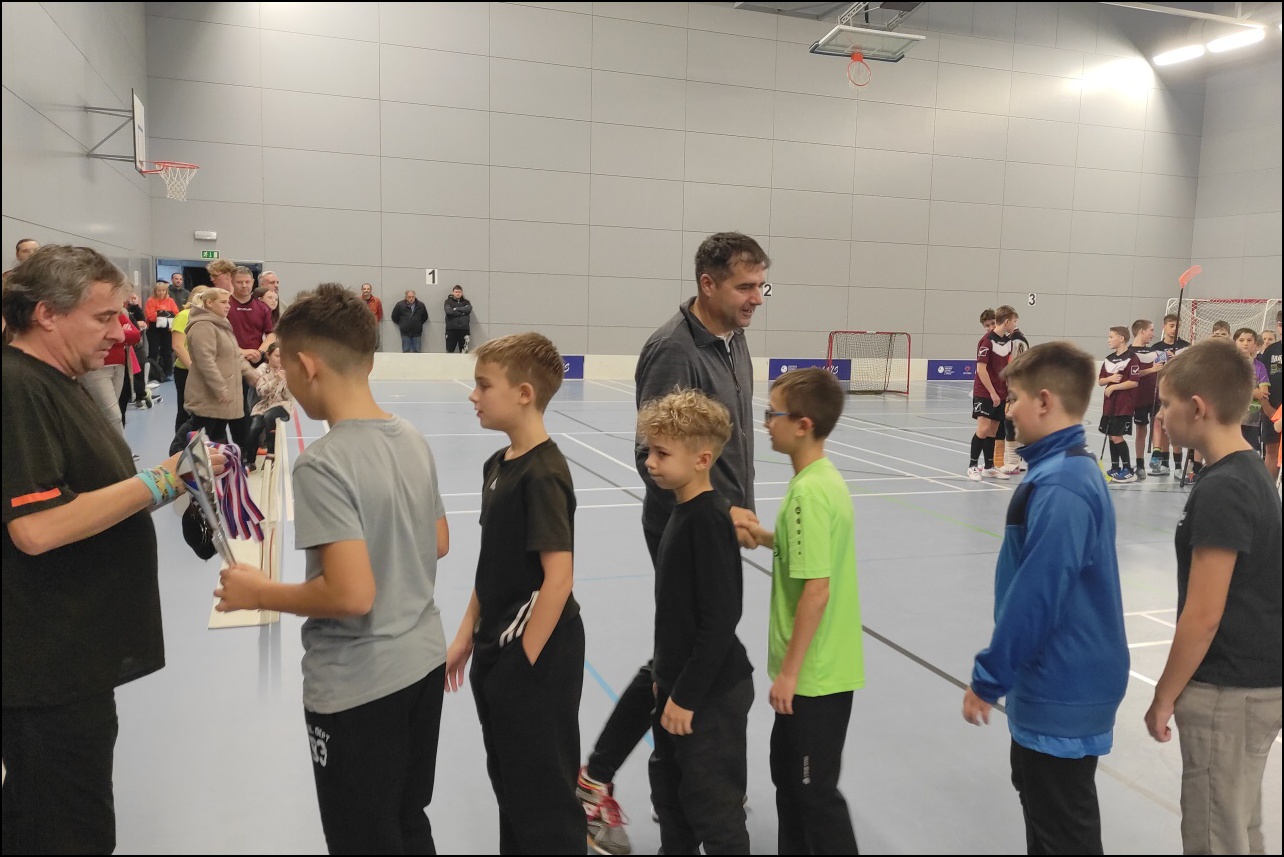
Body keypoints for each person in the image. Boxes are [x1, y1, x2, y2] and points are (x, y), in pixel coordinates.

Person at [3, 244, 224, 854]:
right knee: (65, 826)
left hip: (75, 657)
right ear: (47, 314)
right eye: (103, 317)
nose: (119, 331)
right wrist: (156, 482)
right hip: (47, 665)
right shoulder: (18, 389)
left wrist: (172, 480)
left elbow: (93, 496)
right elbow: (36, 528)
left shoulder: (60, 380)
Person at [214, 284, 449, 854]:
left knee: (362, 837)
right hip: (423, 665)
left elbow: (350, 595)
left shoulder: (321, 463)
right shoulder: (411, 437)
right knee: (408, 820)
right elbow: (439, 540)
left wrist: (259, 592)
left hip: (359, 687)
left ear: (307, 365)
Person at [577, 232, 768, 855]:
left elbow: (725, 441)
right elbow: (652, 451)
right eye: (744, 286)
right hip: (685, 527)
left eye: (761, 285)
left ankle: (683, 766)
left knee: (690, 650)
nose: (756, 297)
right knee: (685, 652)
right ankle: (596, 780)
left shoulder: (733, 339)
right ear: (707, 284)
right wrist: (712, 514)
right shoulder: (673, 350)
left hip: (719, 520)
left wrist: (735, 509)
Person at [964, 341, 1130, 855]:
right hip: (1054, 682)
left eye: (1014, 398)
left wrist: (989, 676)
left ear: (1043, 400)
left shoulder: (1061, 485)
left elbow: (1037, 596)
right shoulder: (1059, 471)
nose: (1008, 410)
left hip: (1063, 685)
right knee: (1047, 821)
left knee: (1062, 831)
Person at [445, 333, 584, 854]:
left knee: (544, 798)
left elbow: (558, 579)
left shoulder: (545, 473)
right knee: (512, 788)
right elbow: (494, 565)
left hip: (536, 655)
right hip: (495, 648)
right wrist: (466, 634)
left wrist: (523, 664)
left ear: (524, 393)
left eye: (484, 385)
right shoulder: (497, 465)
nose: (473, 395)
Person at [1144, 340, 1282, 855]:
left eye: (1165, 404)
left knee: (1214, 835)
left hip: (1229, 689)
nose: (1160, 416)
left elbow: (1203, 615)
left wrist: (1164, 695)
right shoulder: (1250, 471)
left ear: (1198, 407)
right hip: (1254, 682)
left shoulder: (1224, 488)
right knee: (1239, 825)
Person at [739, 368, 863, 855]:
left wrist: (789, 674)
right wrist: (764, 537)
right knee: (789, 783)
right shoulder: (821, 480)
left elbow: (817, 590)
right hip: (821, 672)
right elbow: (810, 551)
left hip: (814, 676)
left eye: (774, 414)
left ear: (803, 424)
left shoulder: (808, 493)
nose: (766, 423)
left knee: (813, 796)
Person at [640, 389, 753, 855]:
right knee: (671, 799)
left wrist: (685, 696)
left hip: (710, 695)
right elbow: (675, 615)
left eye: (662, 453)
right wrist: (664, 677)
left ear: (702, 459)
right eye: (650, 450)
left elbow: (721, 618)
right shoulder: (681, 511)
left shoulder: (707, 521)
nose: (650, 462)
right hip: (677, 684)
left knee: (714, 811)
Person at [182, 286, 257, 461]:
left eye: (228, 302)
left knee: (218, 438)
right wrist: (220, 388)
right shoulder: (202, 326)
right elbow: (205, 362)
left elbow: (234, 355)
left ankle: (225, 468)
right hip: (209, 396)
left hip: (224, 397)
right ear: (209, 303)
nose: (228, 306)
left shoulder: (222, 324)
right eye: (223, 302)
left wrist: (249, 372)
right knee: (204, 440)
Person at [968, 305, 1018, 481]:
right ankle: (972, 466)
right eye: (1014, 321)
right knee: (983, 429)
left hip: (1001, 392)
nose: (1015, 324)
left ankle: (989, 467)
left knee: (993, 431)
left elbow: (1008, 368)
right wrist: (992, 393)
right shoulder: (986, 341)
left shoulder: (1009, 342)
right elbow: (981, 370)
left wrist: (1009, 391)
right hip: (984, 392)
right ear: (1007, 322)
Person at [1148, 313, 1191, 478]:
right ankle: (1164, 464)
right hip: (1160, 391)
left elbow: (1191, 368)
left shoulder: (1185, 347)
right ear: (1164, 327)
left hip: (1178, 392)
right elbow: (1153, 370)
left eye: (1177, 326)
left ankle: (1178, 466)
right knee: (1160, 425)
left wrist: (1177, 360)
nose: (1174, 329)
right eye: (1171, 326)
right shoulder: (1156, 348)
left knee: (1174, 427)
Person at [1099, 326, 1141, 483]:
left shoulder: (1132, 358)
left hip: (1123, 406)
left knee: (1117, 436)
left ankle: (1128, 470)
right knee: (1111, 436)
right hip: (1109, 405)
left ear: (1121, 338)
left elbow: (1134, 382)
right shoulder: (1108, 359)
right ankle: (1115, 468)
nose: (1108, 340)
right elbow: (1100, 380)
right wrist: (1110, 380)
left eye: (1111, 337)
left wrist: (1114, 387)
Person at [171, 286, 210, 433]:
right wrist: (194, 369)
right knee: (186, 412)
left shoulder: (211, 318)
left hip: (206, 371)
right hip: (187, 371)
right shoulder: (184, 315)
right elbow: (178, 346)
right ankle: (180, 444)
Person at [1128, 319, 1160, 480]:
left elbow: (1164, 367)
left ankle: (1158, 457)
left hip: (1156, 396)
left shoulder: (1154, 352)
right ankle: (1140, 465)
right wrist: (1151, 370)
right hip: (1139, 398)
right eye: (1151, 330)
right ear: (1141, 331)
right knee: (1141, 430)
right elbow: (1132, 374)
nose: (1153, 334)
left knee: (1159, 425)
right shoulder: (1129, 353)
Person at [248, 342, 292, 456]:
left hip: (283, 404)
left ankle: (271, 451)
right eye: (277, 356)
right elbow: (261, 392)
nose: (280, 359)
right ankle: (250, 460)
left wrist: (285, 381)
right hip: (264, 405)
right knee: (254, 428)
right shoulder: (262, 371)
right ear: (268, 355)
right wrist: (276, 380)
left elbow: (288, 396)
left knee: (269, 416)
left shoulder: (289, 372)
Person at [1233, 328, 1270, 454]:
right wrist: (1253, 391)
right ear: (1234, 342)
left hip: (1252, 418)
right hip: (1231, 416)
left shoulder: (1260, 366)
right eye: (1241, 340)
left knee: (1250, 452)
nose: (1245, 343)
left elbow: (1263, 392)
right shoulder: (1229, 364)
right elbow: (1229, 386)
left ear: (1255, 344)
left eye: (1249, 340)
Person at [144, 280, 179, 383]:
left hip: (167, 328)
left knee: (167, 352)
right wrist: (165, 314)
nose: (161, 293)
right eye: (159, 291)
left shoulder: (170, 301)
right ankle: (152, 374)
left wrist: (160, 313)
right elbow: (150, 316)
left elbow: (175, 313)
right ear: (155, 291)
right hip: (154, 329)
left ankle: (168, 373)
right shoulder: (151, 301)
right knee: (153, 351)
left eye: (163, 290)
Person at [1261, 311, 1282, 479]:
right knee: (1271, 450)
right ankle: (1270, 491)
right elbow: (1261, 381)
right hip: (1273, 410)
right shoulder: (1271, 351)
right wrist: (1266, 407)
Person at [444, 285, 472, 353]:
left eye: (459, 292)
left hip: (464, 330)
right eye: (456, 292)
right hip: (451, 330)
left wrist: (456, 309)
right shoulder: (448, 302)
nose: (458, 293)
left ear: (462, 293)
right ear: (453, 293)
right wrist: (462, 313)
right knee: (449, 352)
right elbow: (449, 311)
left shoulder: (466, 302)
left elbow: (468, 309)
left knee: (464, 352)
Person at [359, 283, 383, 351]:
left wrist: (374, 320)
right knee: (361, 342)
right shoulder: (358, 300)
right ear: (362, 290)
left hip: (373, 325)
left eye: (368, 289)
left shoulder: (376, 301)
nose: (366, 290)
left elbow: (379, 314)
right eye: (364, 289)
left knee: (376, 343)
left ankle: (372, 353)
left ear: (370, 290)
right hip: (361, 326)